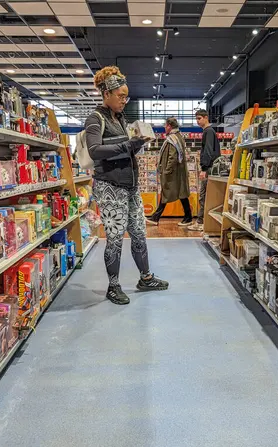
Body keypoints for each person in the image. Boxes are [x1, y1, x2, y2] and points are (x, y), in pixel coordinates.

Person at [84, 65, 169, 305]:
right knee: (115, 237)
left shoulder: (120, 118)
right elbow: (95, 151)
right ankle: (113, 286)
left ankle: (146, 277)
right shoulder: (96, 118)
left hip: (130, 187)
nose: (124, 101)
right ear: (106, 94)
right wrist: (128, 146)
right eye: (120, 96)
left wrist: (137, 144)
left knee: (140, 233)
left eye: (126, 96)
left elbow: (123, 148)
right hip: (110, 187)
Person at [145, 117, 192, 226]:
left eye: (165, 126)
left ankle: (155, 217)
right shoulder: (177, 137)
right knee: (181, 194)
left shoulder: (173, 138)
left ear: (170, 126)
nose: (164, 128)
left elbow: (173, 157)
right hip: (177, 172)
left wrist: (166, 170)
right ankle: (188, 216)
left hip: (173, 173)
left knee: (167, 192)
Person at [188, 109, 220, 231]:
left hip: (209, 168)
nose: (197, 121)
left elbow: (208, 150)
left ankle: (201, 222)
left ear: (206, 118)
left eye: (199, 118)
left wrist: (204, 168)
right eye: (196, 119)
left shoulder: (208, 131)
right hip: (211, 168)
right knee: (205, 195)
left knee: (203, 195)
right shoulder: (208, 131)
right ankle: (203, 221)